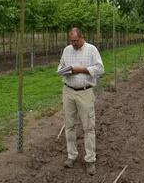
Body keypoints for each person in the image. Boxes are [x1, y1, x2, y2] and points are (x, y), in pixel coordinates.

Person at [57, 27, 105, 176]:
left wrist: (80, 70)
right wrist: (63, 69)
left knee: (88, 127)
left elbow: (100, 69)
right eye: (71, 41)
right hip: (68, 91)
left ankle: (90, 159)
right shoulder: (67, 50)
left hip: (85, 92)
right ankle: (72, 155)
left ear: (82, 37)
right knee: (69, 125)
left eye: (75, 41)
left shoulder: (92, 50)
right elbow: (60, 65)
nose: (73, 44)